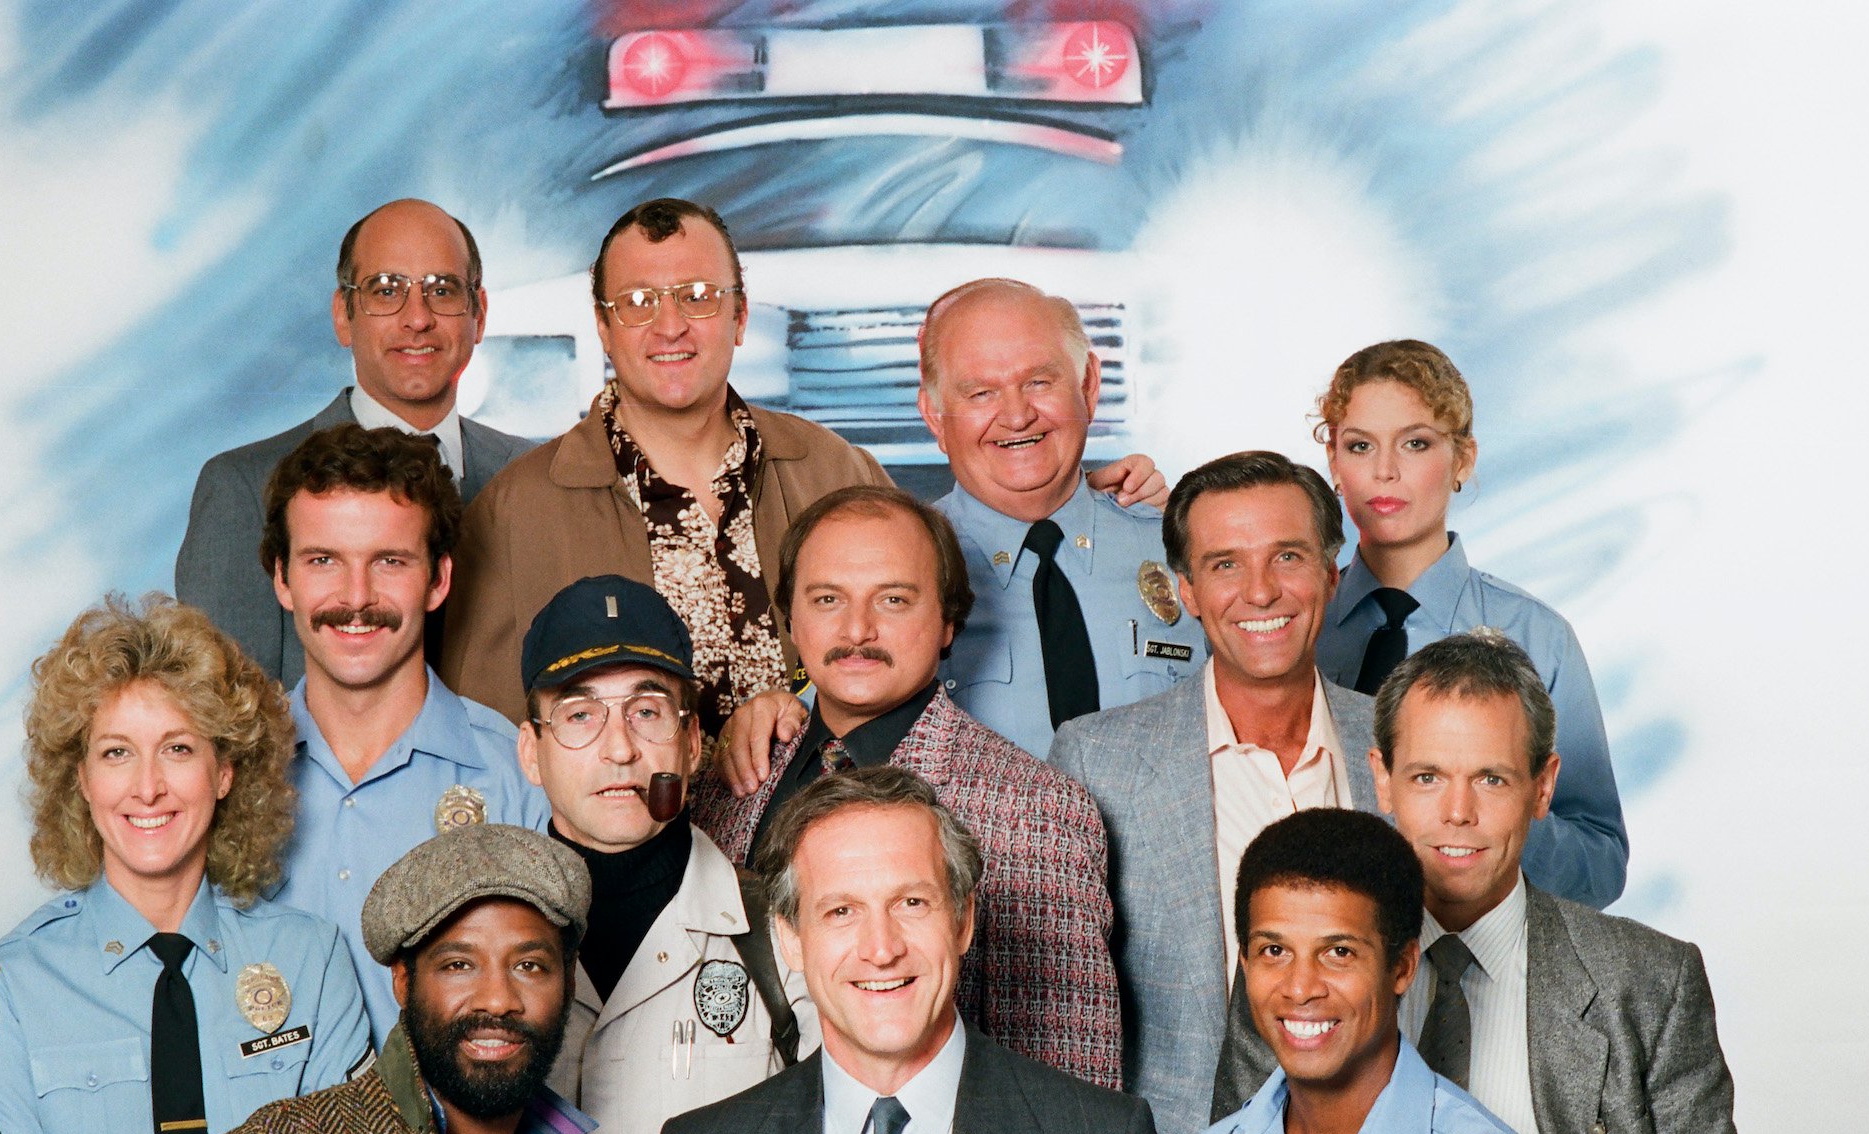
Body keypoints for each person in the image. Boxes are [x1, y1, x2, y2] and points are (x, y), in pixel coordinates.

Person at [1212, 634, 1769, 1134]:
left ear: (1543, 787)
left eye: (1492, 779)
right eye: (1427, 777)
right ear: (1381, 778)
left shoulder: (1647, 984)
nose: (1457, 814)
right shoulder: (1297, 978)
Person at [442, 199, 1166, 726]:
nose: (669, 325)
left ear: (740, 313)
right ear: (603, 323)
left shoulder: (837, 470)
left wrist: (1078, 503)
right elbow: (486, 747)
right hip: (625, 904)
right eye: (637, 302)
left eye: (697, 296)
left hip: (834, 888)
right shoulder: (514, 513)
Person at [0, 595, 372, 1134]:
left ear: (225, 771)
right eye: (116, 752)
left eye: (178, 748)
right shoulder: (8, 986)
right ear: (80, 780)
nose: (147, 787)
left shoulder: (312, 964)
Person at [643, 767, 1191, 1134]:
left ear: (963, 919)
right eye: (841, 911)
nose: (881, 950)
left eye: (911, 903)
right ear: (789, 938)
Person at [690, 485, 1120, 1088]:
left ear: (948, 621)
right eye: (827, 599)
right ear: (791, 618)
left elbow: (1072, 1089)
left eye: (893, 599)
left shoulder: (1034, 809)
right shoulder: (728, 787)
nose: (857, 629)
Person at [137, 824, 640, 1134]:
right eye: (459, 964)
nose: (498, 999)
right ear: (403, 980)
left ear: (569, 980)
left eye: (530, 966)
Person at [1049, 450, 1376, 1134]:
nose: (1260, 592)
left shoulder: (1402, 744)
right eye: (1226, 564)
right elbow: (1067, 1020)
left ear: (1331, 572)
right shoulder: (1098, 762)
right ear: (1187, 590)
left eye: (1287, 556)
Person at [1178, 807, 1616, 1134]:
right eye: (1274, 950)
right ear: (1245, 965)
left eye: (1338, 952)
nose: (1299, 988)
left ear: (1402, 967)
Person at [515, 573, 816, 1134]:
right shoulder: (477, 946)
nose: (619, 748)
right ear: (530, 752)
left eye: (647, 712)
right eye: (579, 715)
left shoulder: (780, 931)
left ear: (690, 742)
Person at [1315, 339, 1627, 906]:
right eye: (1360, 446)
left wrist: (1494, 815)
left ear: (1462, 458)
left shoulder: (1536, 638)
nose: (1385, 472)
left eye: (1415, 443)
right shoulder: (1292, 630)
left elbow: (1601, 863)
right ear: (1334, 462)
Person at [177, 198, 535, 686]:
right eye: (386, 291)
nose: (417, 318)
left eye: (443, 290)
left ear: (479, 314)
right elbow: (224, 723)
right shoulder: (244, 489)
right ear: (343, 315)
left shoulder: (534, 478)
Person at [264, 423, 546, 1042]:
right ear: (282, 579)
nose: (356, 597)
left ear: (439, 580)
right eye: (323, 561)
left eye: (389, 562)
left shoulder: (517, 778)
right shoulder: (225, 776)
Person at [921, 278, 1207, 758]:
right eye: (980, 393)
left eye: (1038, 382)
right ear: (934, 415)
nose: (1016, 416)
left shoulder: (1180, 545)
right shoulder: (897, 569)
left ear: (1088, 385)